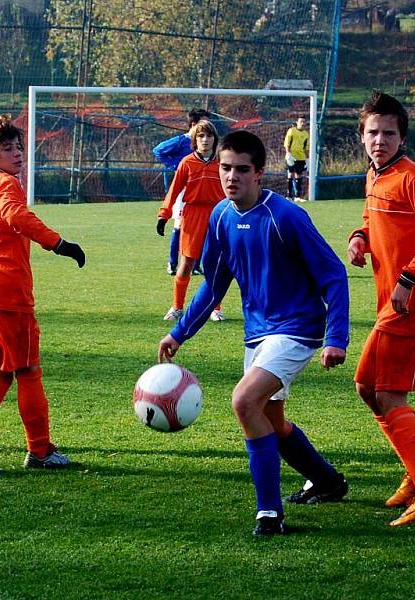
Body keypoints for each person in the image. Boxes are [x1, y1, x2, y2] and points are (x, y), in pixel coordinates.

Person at [158, 130, 350, 536]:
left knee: (244, 401)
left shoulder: (286, 217)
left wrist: (336, 338)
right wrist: (179, 333)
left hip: (298, 328)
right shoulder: (221, 217)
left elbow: (333, 274)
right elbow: (214, 283)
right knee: (271, 420)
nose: (231, 177)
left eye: (241, 170)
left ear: (260, 173)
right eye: (226, 168)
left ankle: (269, 513)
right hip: (258, 333)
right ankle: (328, 481)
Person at [0, 115, 86, 475]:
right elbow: (17, 217)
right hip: (4, 296)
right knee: (28, 371)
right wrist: (59, 244)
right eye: (7, 148)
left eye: (18, 147)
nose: (17, 154)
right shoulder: (5, 185)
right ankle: (40, 450)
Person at [348, 91, 415, 527]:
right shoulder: (375, 175)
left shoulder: (413, 177)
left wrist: (408, 280)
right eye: (372, 132)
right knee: (366, 387)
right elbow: (375, 221)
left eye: (388, 133)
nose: (380, 140)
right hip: (392, 305)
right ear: (362, 137)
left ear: (402, 137)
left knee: (386, 391)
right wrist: (360, 236)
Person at [156, 119, 225, 322]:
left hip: (217, 216)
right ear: (194, 140)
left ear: (214, 139)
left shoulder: (222, 162)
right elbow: (174, 190)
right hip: (192, 215)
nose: (205, 140)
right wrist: (164, 215)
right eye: (201, 136)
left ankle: (215, 307)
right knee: (186, 263)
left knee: (214, 264)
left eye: (209, 135)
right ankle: (177, 307)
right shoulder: (187, 162)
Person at [152, 108, 211, 276]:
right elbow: (158, 150)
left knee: (203, 228)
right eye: (203, 123)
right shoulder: (182, 141)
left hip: (201, 191)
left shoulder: (207, 144)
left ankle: (195, 265)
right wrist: (177, 166)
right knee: (179, 225)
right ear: (193, 125)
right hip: (184, 191)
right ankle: (172, 263)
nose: (207, 126)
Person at [283, 116, 310, 202]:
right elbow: (287, 143)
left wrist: (307, 159)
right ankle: (289, 196)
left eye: (304, 122)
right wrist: (288, 153)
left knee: (299, 175)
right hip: (291, 156)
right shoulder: (291, 131)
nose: (302, 123)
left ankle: (297, 196)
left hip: (301, 157)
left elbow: (306, 147)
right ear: (297, 122)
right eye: (301, 121)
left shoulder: (306, 134)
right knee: (290, 174)